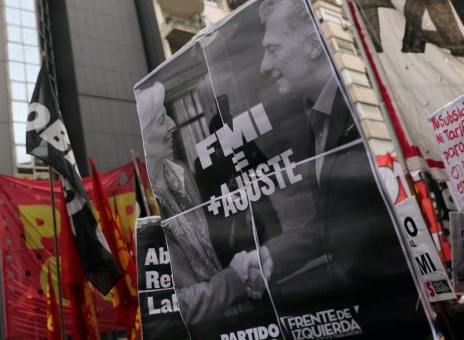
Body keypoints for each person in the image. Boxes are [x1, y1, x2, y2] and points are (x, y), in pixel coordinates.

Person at [244, 1, 430, 336]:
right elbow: (336, 218)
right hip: (378, 312)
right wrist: (272, 254)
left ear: (314, 43)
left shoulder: (370, 104)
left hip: (419, 308)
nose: (263, 65)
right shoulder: (315, 119)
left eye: (272, 49)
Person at [135, 81, 261, 325]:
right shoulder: (141, 205)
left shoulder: (181, 173)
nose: (173, 125)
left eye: (168, 117)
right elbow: (172, 305)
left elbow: (210, 248)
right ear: (141, 138)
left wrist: (246, 276)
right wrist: (234, 280)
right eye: (161, 121)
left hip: (236, 314)